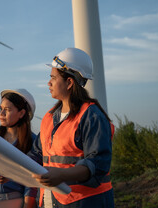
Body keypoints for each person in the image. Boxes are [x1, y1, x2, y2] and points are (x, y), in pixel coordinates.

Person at [31, 48, 114, 207]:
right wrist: (9, 171)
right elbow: (36, 154)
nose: (49, 82)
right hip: (51, 199)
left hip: (86, 202)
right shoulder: (49, 118)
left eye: (53, 78)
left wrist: (62, 175)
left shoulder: (91, 116)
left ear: (69, 83)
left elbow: (97, 163)